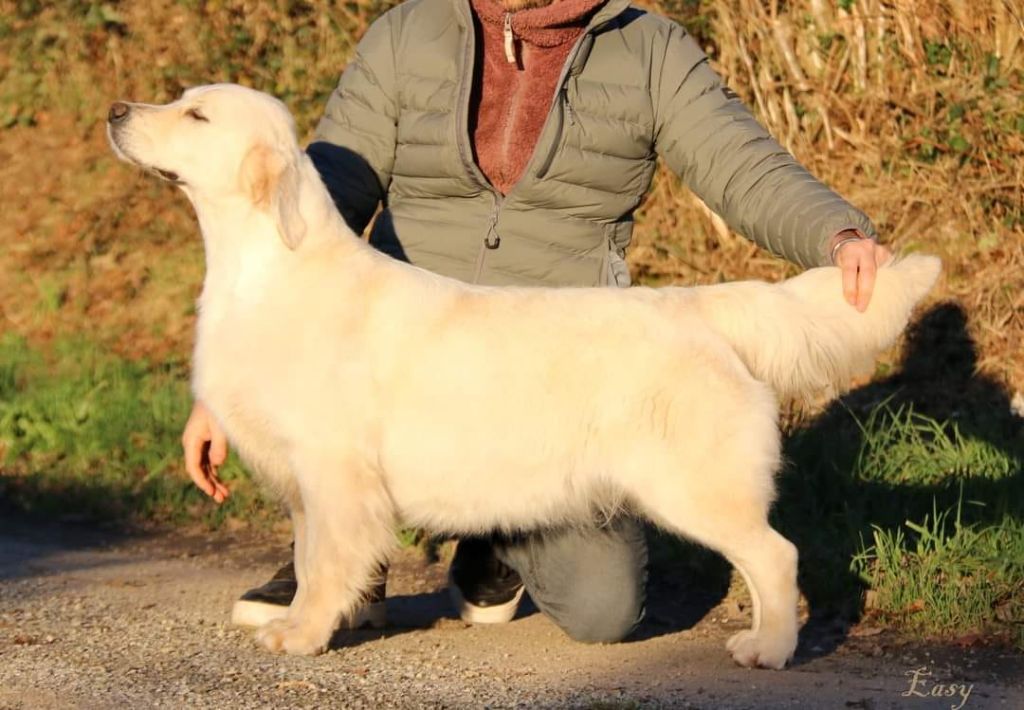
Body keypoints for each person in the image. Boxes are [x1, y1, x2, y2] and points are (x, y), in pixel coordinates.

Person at [182, 0, 891, 643]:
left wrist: (837, 236)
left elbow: (743, 166)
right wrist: (233, 383)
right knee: (335, 452)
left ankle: (492, 545)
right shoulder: (406, 32)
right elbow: (318, 196)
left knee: (603, 609)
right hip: (399, 353)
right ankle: (339, 573)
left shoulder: (648, 47)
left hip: (564, 371)